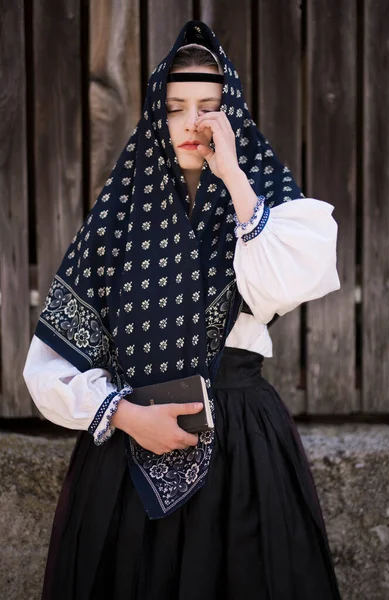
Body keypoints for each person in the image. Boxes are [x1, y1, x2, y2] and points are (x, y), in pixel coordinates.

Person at [23, 20, 343, 600]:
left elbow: (294, 280)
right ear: (154, 115)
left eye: (210, 107)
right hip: (127, 457)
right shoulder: (119, 218)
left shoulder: (263, 208)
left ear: (233, 115)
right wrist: (125, 417)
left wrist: (235, 178)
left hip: (242, 450)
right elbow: (47, 368)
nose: (193, 124)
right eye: (175, 107)